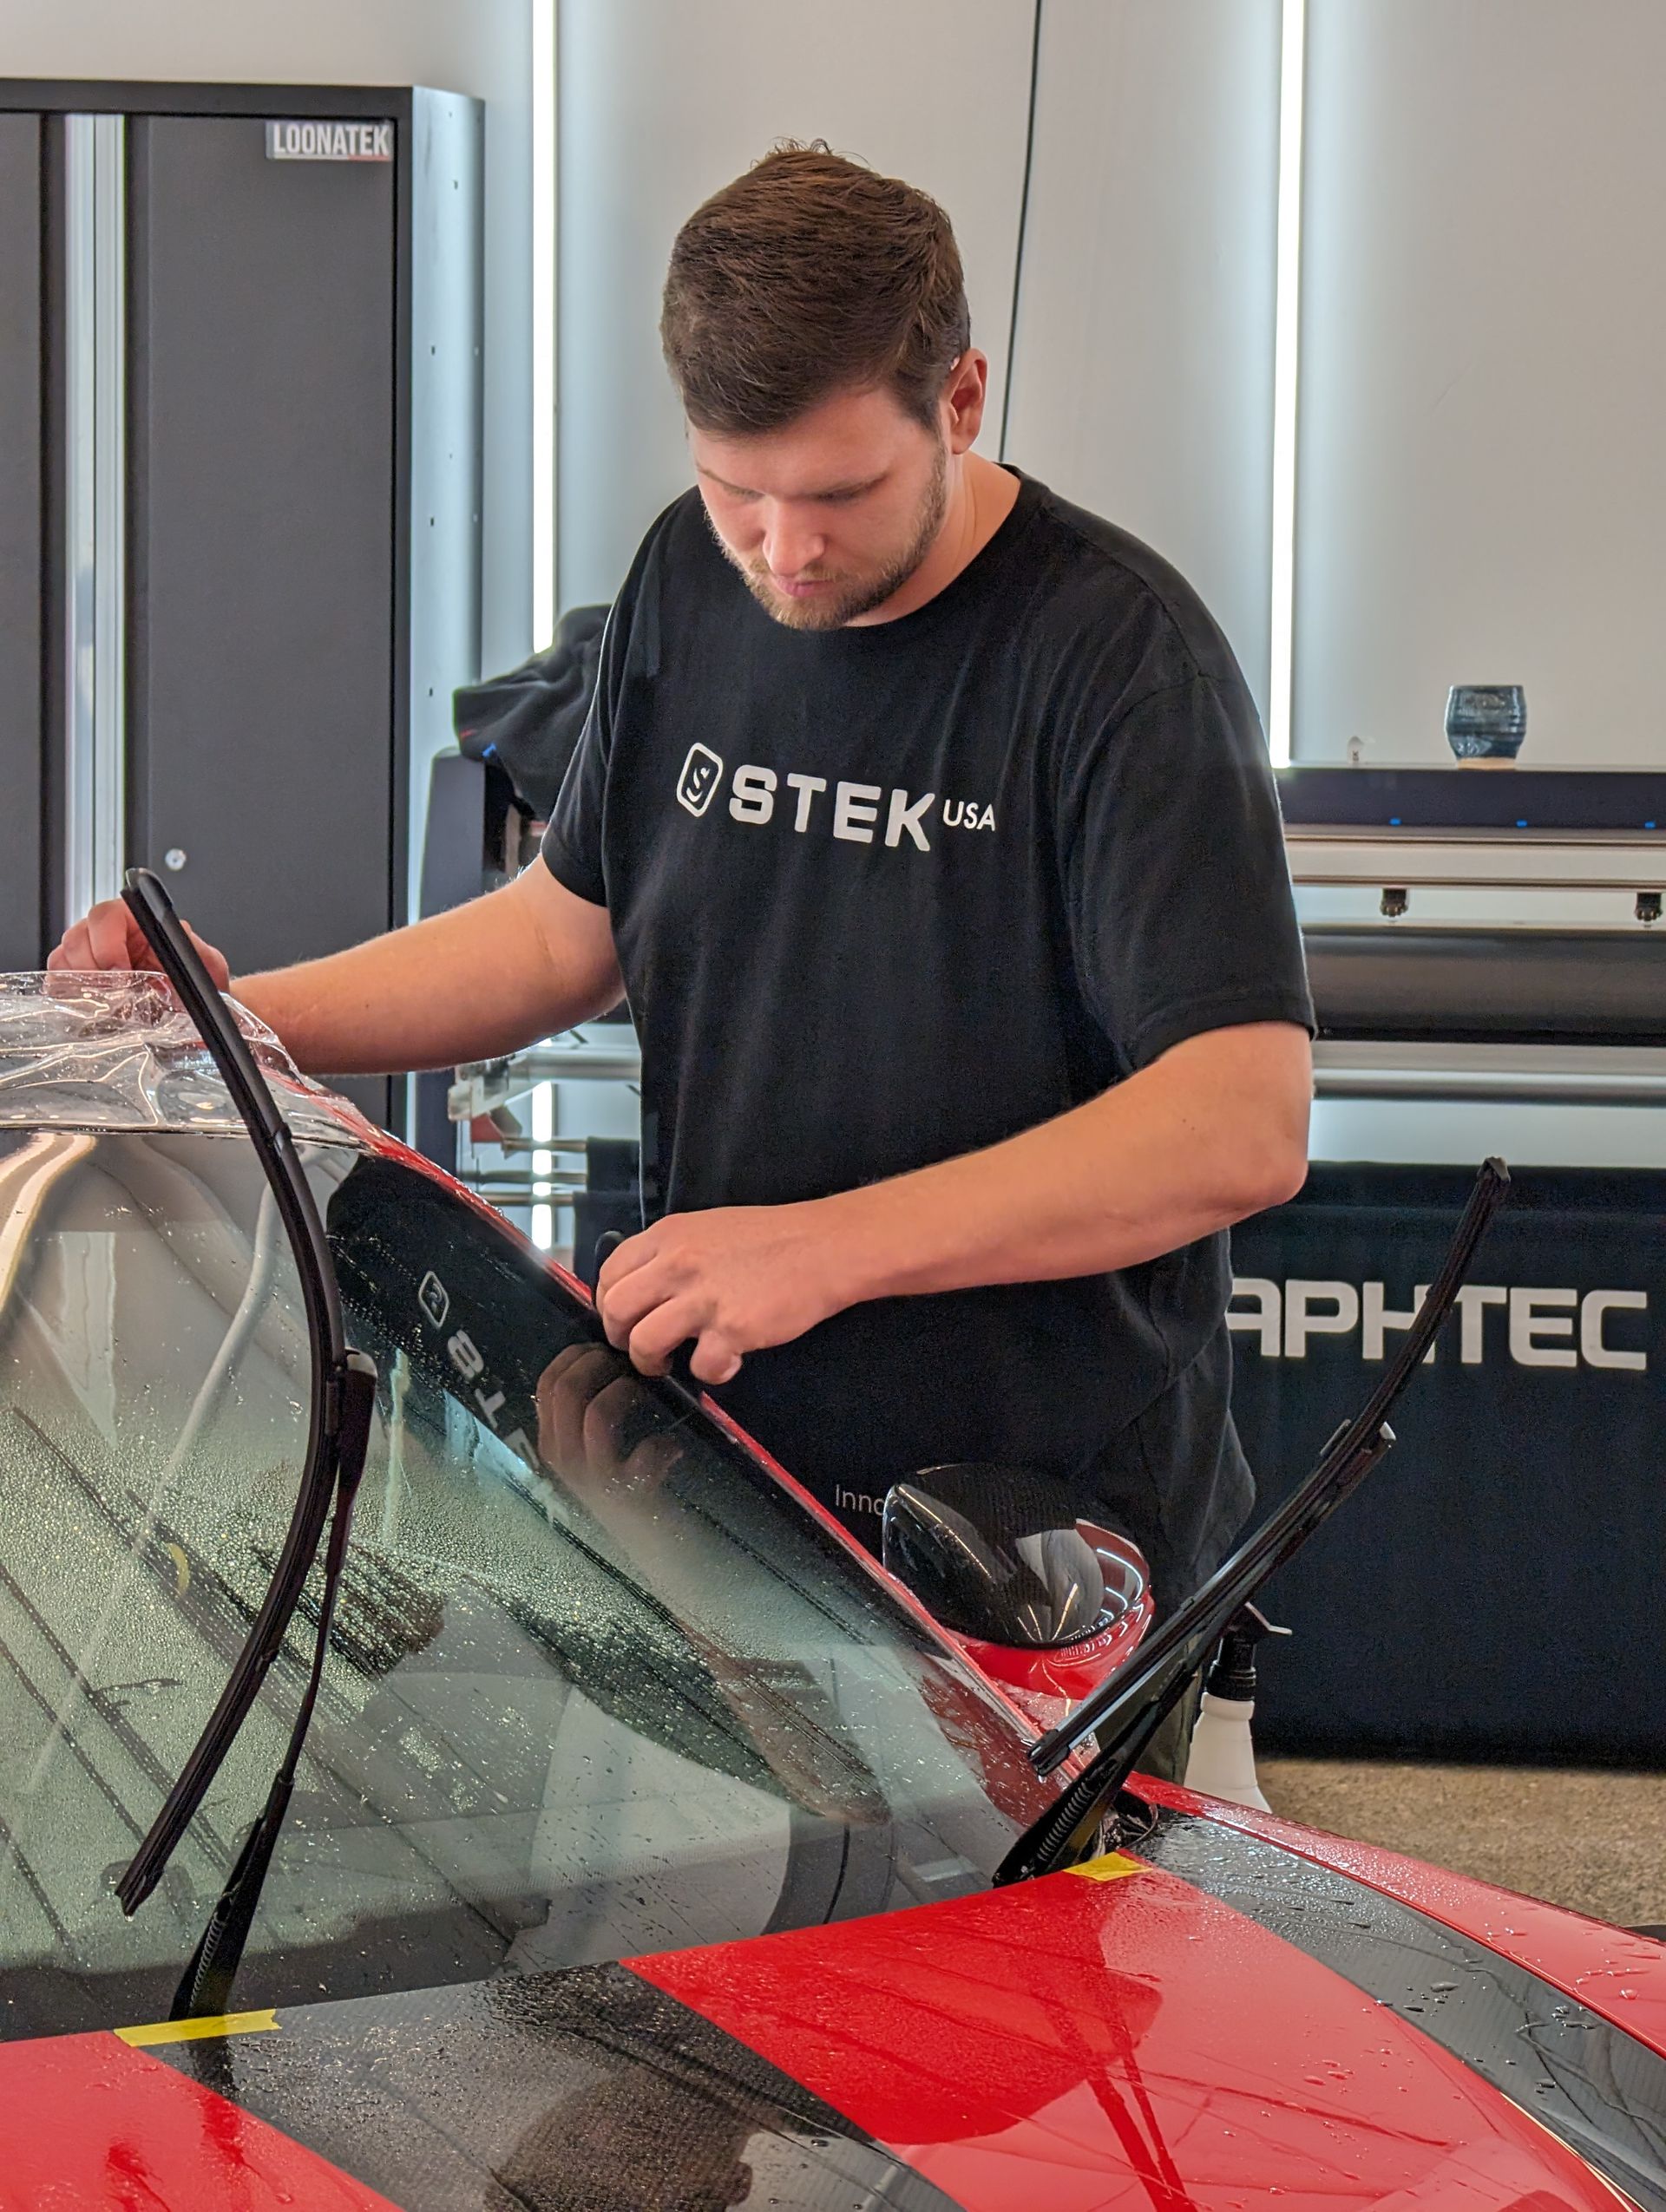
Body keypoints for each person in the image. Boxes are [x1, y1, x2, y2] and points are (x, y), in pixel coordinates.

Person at [52, 146, 1313, 1762]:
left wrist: (816, 1249)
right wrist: (228, 1020)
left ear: (964, 397)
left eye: (840, 495)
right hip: (729, 1529)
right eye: (740, 493)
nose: (783, 550)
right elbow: (565, 932)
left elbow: (1242, 1117)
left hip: (1047, 1585)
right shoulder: (683, 585)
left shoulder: (1117, 662)